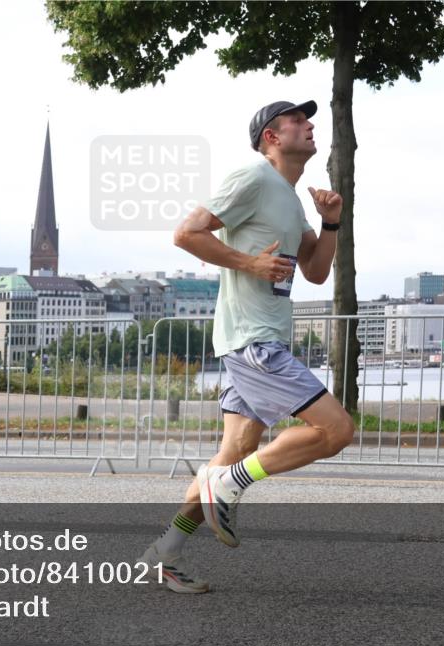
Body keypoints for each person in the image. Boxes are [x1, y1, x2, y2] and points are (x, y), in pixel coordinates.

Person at [140, 100, 356, 593]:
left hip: (260, 338)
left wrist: (331, 223)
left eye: (309, 120)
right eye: (297, 121)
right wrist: (249, 264)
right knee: (337, 430)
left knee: (235, 449)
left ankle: (167, 552)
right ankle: (232, 483)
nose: (309, 125)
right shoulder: (253, 178)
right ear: (271, 138)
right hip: (252, 341)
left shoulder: (289, 196)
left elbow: (317, 271)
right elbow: (186, 234)